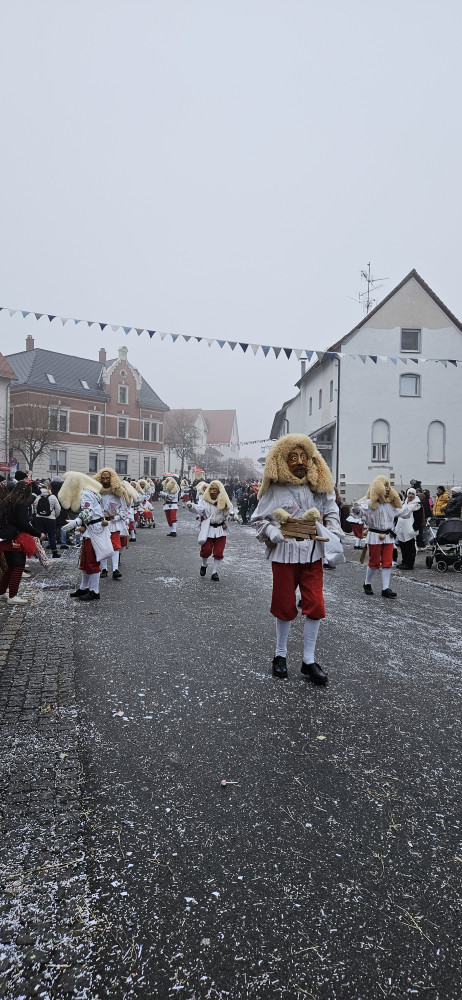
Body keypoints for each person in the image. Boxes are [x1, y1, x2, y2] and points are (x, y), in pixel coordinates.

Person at [251, 433, 342, 685]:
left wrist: (333, 531)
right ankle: (280, 655)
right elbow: (257, 518)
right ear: (283, 460)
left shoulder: (318, 487)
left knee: (316, 605)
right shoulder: (274, 489)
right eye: (293, 457)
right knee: (284, 604)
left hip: (312, 553)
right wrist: (271, 532)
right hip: (284, 554)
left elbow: (332, 511)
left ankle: (308, 660)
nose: (300, 462)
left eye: (304, 456)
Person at [360, 476, 419, 598]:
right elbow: (359, 512)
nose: (387, 491)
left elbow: (402, 511)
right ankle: (367, 583)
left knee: (387, 562)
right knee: (374, 562)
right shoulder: (369, 504)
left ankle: (385, 588)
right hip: (375, 535)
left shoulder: (390, 505)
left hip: (388, 536)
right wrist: (357, 509)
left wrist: (412, 505)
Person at [58, 472, 110, 602]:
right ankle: (84, 587)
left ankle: (94, 591)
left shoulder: (86, 494)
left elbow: (88, 512)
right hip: (91, 530)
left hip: (93, 532)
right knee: (85, 561)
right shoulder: (90, 492)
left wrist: (76, 522)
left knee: (91, 561)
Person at [0, 481, 45, 604]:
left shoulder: (6, 501)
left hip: (5, 536)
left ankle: (2, 592)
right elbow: (23, 523)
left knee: (10, 567)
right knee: (18, 566)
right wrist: (38, 533)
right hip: (17, 537)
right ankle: (12, 596)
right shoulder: (21, 503)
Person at [187, 480, 231, 581]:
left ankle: (214, 572)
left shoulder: (224, 499)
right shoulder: (204, 500)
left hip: (221, 529)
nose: (213, 491)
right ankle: (204, 564)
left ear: (219, 490)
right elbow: (199, 509)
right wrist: (191, 506)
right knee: (206, 550)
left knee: (219, 551)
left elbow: (230, 511)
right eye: (211, 489)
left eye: (215, 489)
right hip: (208, 528)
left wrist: (232, 516)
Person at [93, 467, 129, 579]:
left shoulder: (118, 494)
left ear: (112, 479)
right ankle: (104, 569)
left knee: (116, 546)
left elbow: (124, 510)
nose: (105, 480)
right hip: (100, 524)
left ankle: (115, 569)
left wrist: (116, 517)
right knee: (103, 546)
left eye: (108, 478)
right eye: (103, 478)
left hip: (113, 525)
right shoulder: (96, 494)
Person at [33, 483, 61, 558]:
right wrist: (54, 516)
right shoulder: (53, 497)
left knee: (39, 535)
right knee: (52, 536)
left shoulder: (38, 496)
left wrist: (38, 514)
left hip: (39, 518)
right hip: (51, 519)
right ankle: (54, 552)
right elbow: (58, 509)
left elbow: (35, 507)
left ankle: (38, 552)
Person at [395, 487, 420, 570]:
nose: (410, 495)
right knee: (403, 547)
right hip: (401, 528)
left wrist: (415, 528)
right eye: (409, 493)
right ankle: (404, 561)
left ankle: (409, 564)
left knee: (410, 547)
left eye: (412, 494)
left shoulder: (417, 505)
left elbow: (418, 518)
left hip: (410, 529)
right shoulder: (403, 503)